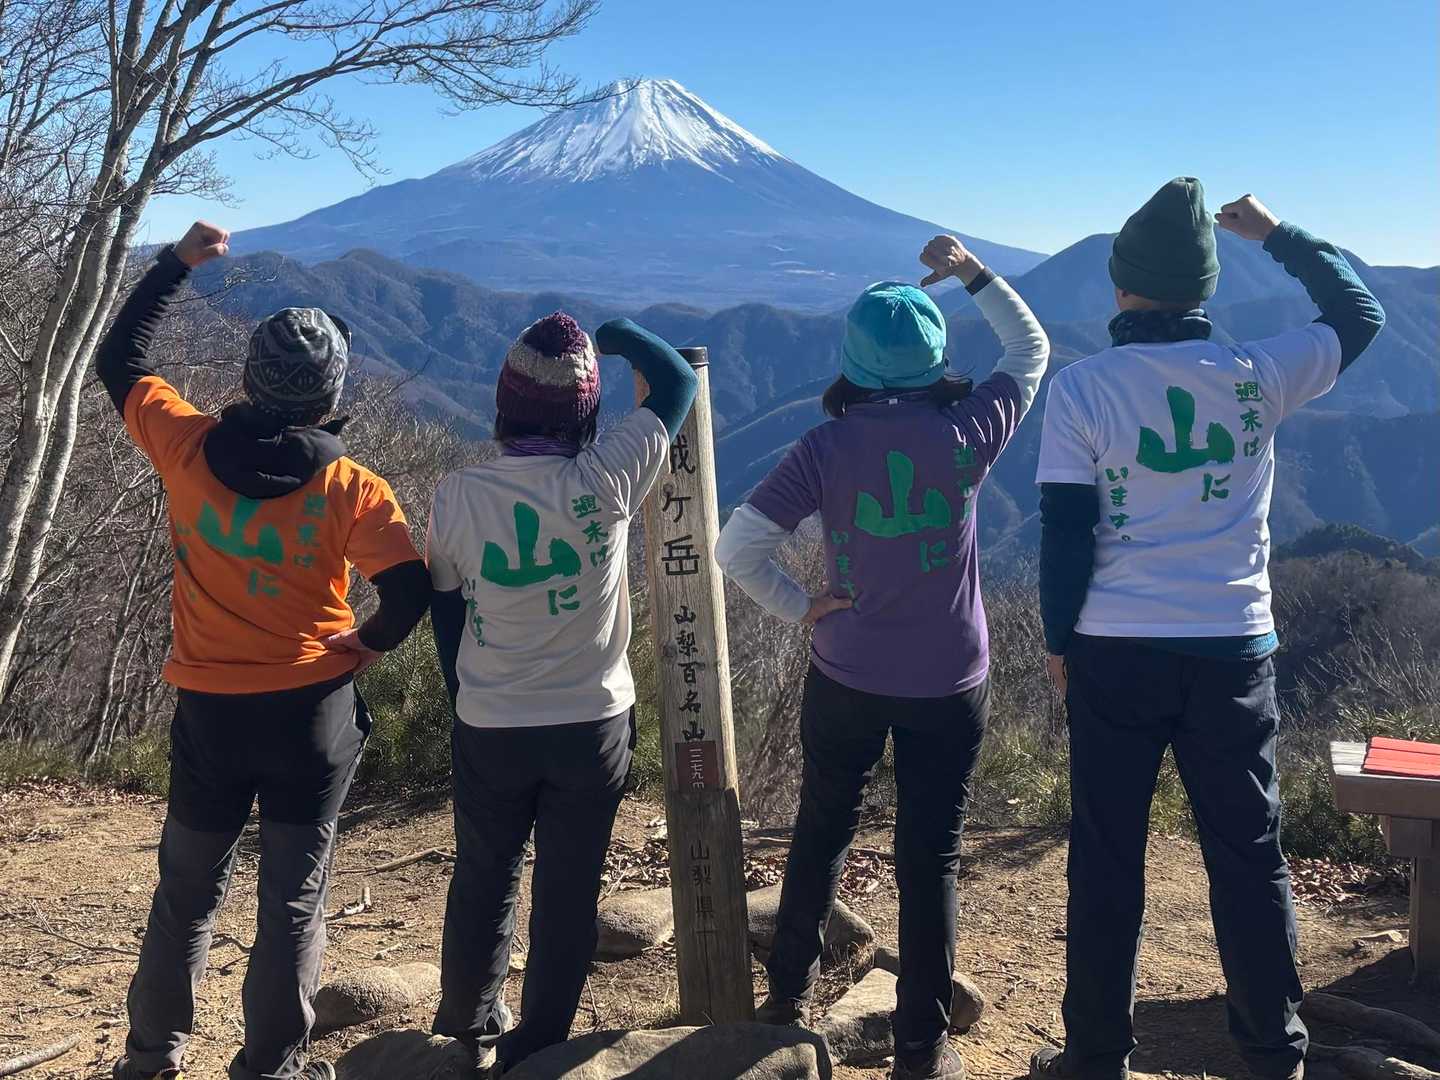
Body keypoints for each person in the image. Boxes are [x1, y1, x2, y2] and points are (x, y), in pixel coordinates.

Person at [1028, 180, 1385, 1080]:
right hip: (1233, 648)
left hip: (1114, 648)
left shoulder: (1081, 389)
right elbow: (1360, 314)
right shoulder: (1259, 373)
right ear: (1204, 291)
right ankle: (1273, 1051)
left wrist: (1059, 641)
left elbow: (1066, 530)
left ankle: (1096, 1055)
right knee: (1249, 854)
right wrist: (1277, 233)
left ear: (1121, 287)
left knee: (1107, 858)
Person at [100, 222, 433, 1080]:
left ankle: (150, 1058)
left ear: (250, 377)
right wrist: (363, 646)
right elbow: (408, 593)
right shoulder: (352, 487)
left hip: (210, 713)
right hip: (311, 716)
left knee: (185, 892)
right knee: (291, 902)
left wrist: (175, 264)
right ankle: (271, 1067)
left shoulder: (183, 444)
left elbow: (119, 359)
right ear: (331, 396)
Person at [715, 235, 1050, 1080]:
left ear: (852, 361)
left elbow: (736, 549)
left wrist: (801, 606)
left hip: (846, 672)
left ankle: (786, 996)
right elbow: (1030, 349)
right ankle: (920, 1047)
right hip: (950, 678)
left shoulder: (823, 450)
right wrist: (972, 273)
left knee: (823, 826)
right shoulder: (969, 429)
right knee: (930, 856)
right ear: (935, 360)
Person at [426, 311, 698, 1076]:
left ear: (503, 410)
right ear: (585, 417)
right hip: (592, 722)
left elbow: (446, 608)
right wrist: (616, 334)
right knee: (569, 889)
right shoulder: (607, 476)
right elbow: (678, 381)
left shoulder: (457, 495)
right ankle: (540, 1044)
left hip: (491, 721)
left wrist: (462, 690)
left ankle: (468, 1028)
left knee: (485, 874)